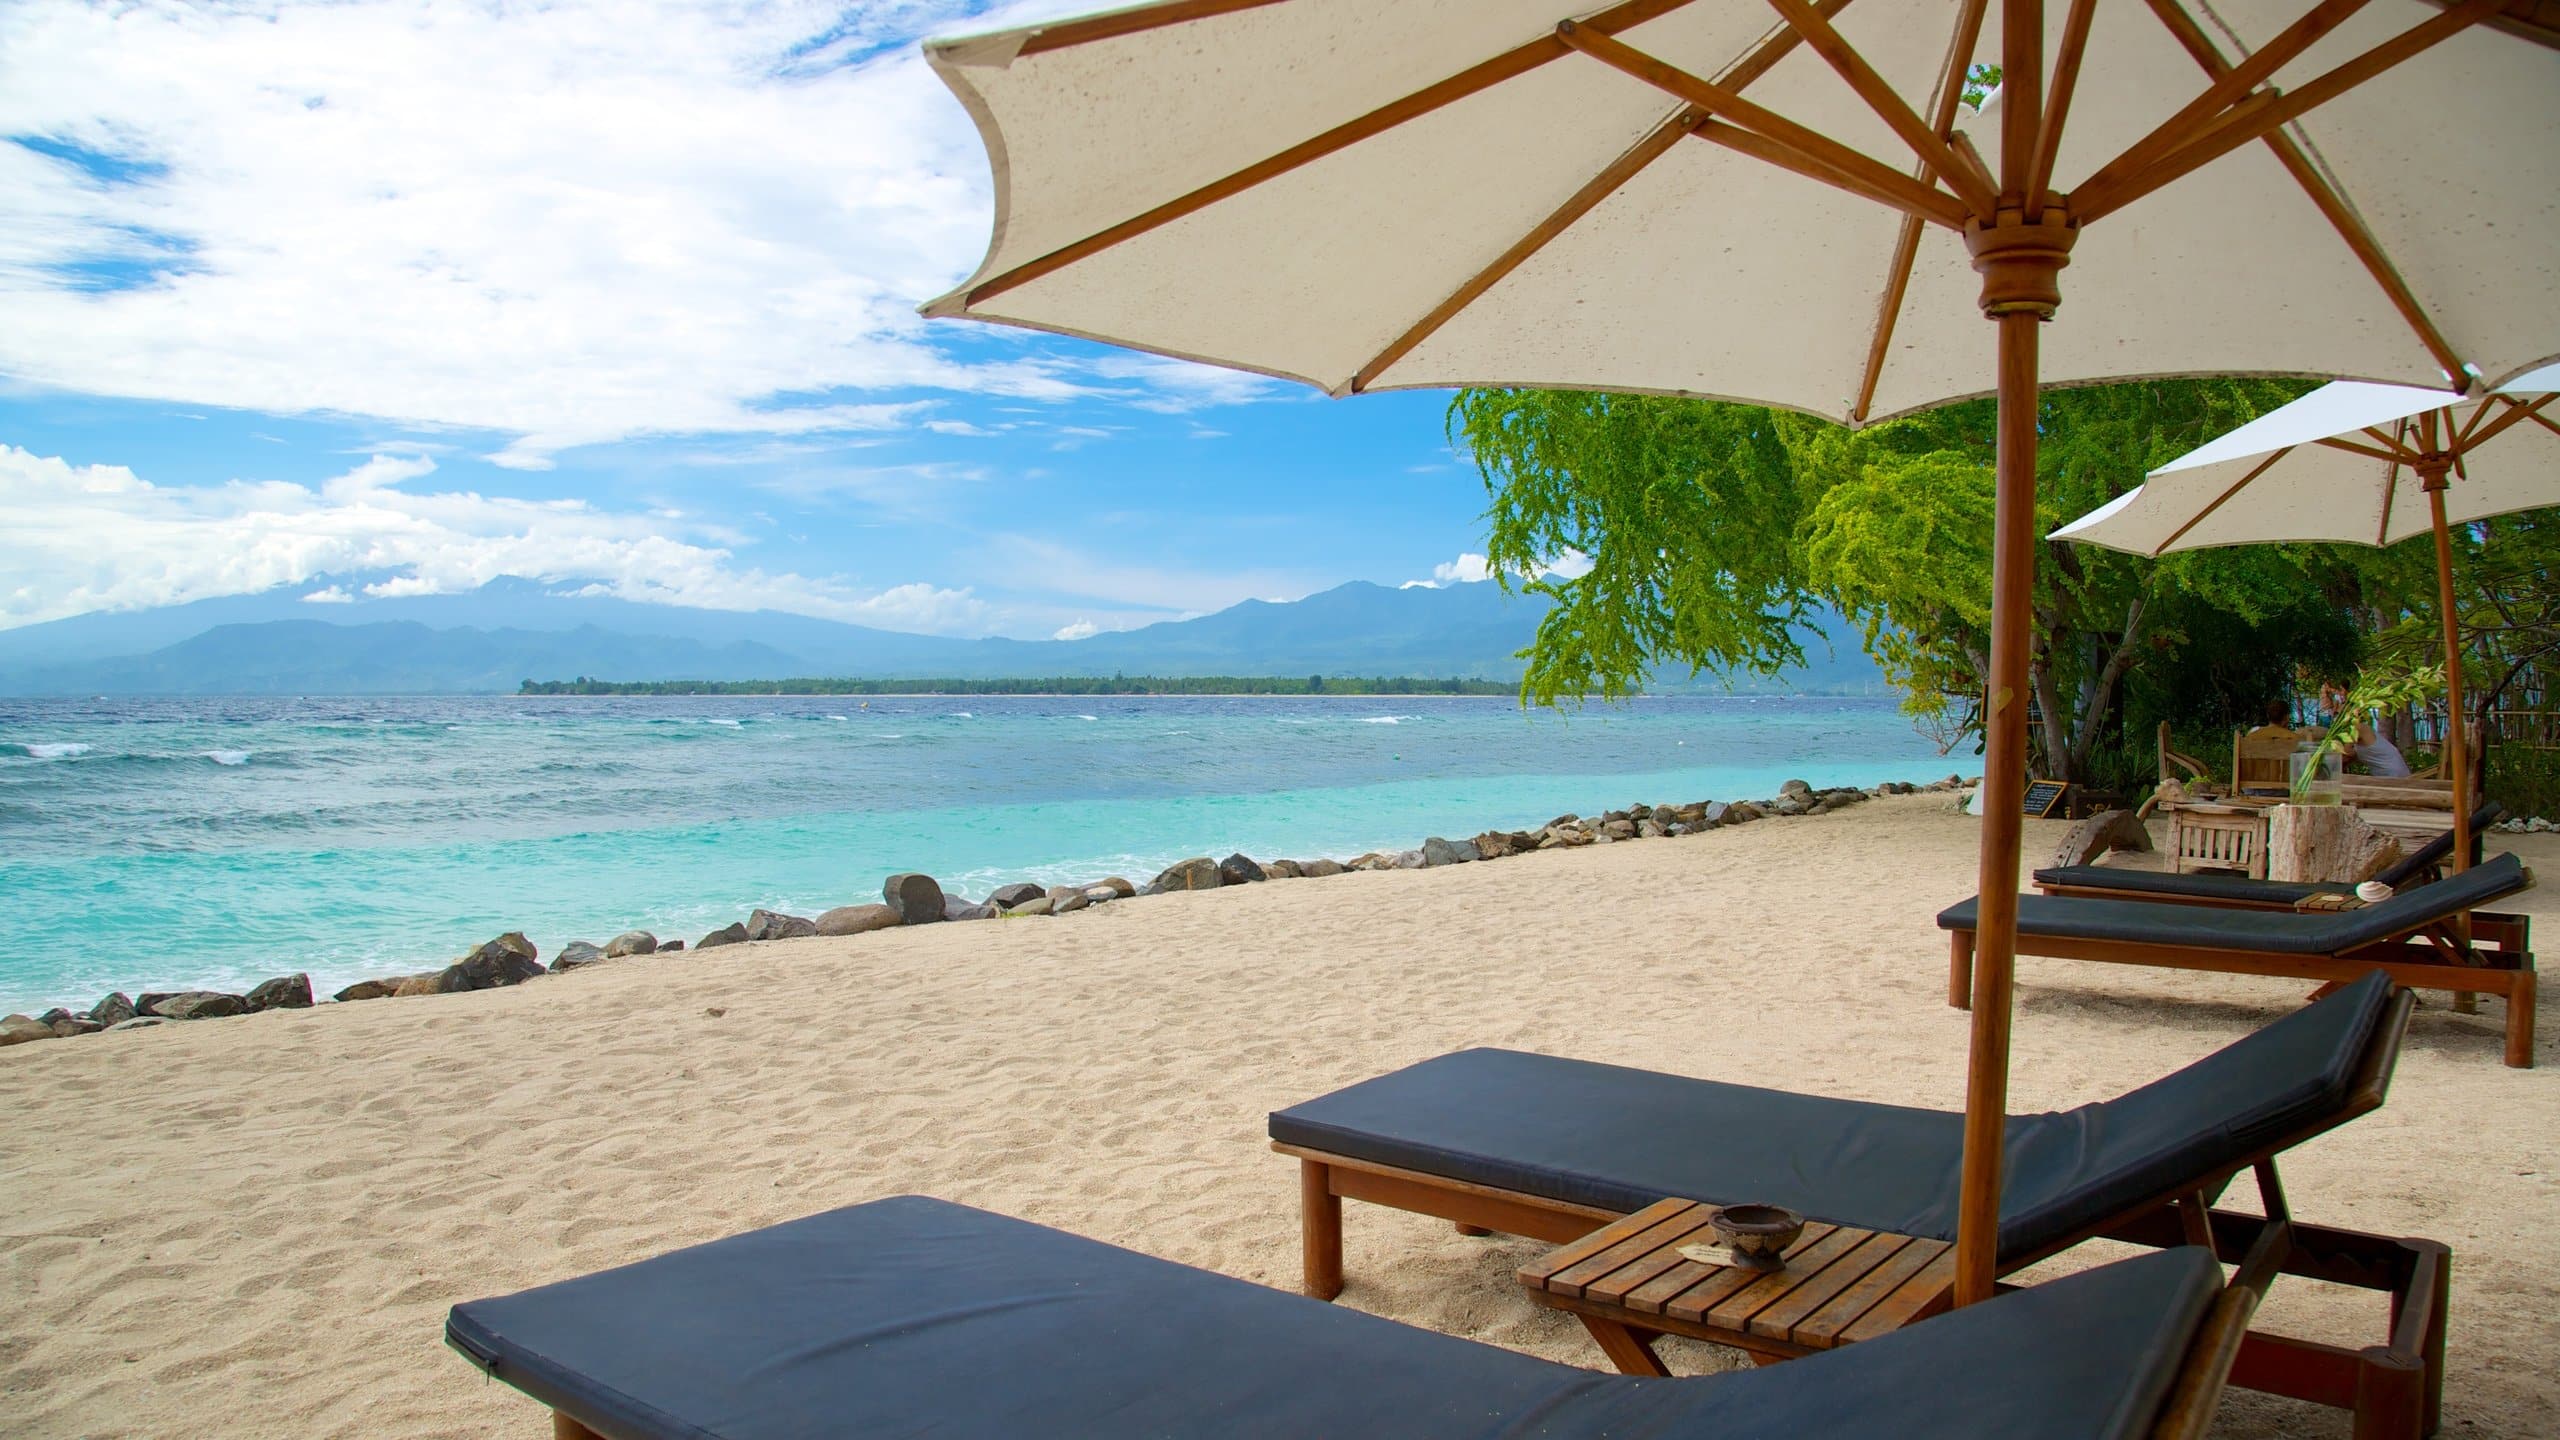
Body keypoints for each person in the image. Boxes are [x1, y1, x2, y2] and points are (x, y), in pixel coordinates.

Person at [2319, 684, 2412, 777]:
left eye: (2338, 711)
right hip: (2387, 776)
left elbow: (2346, 754)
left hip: (2394, 777)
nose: (2335, 714)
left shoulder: (2357, 728)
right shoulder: (2353, 730)